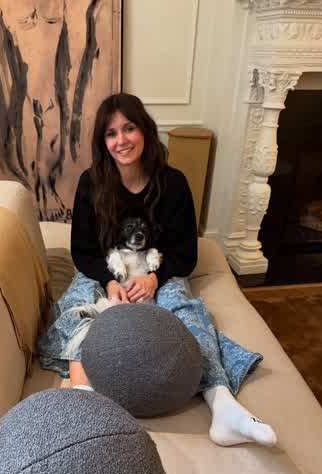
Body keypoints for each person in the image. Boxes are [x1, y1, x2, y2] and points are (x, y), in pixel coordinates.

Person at [37, 93, 277, 448]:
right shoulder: (91, 182)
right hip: (105, 270)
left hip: (156, 270)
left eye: (129, 128)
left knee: (186, 311)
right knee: (78, 309)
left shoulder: (174, 183)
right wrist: (108, 282)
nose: (121, 140)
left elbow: (186, 254)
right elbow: (83, 252)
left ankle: (224, 407)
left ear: (145, 131)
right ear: (103, 142)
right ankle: (84, 407)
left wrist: (154, 279)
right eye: (111, 133)